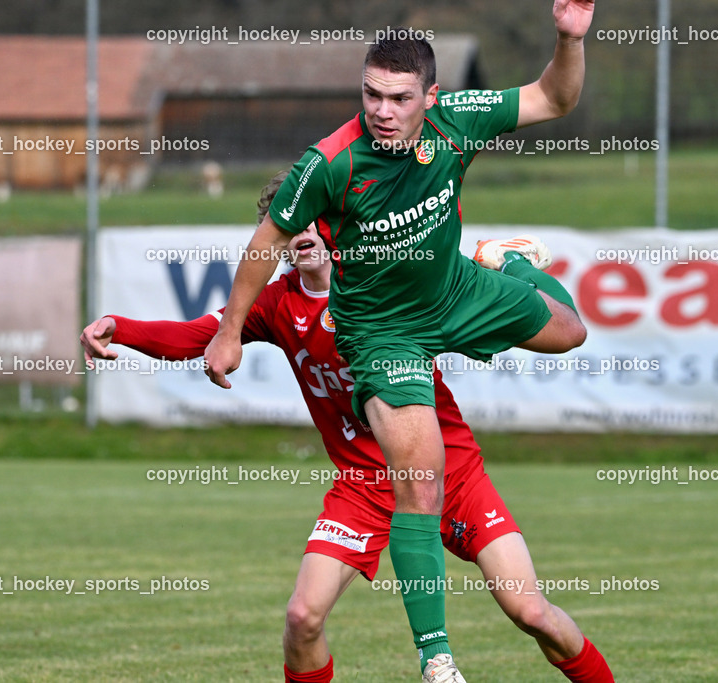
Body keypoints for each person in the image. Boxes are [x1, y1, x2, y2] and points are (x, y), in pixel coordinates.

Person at [81, 175, 612, 683]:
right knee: (301, 618)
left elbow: (522, 322)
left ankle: (508, 261)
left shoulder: (390, 284)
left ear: (335, 224)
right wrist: (120, 328)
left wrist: (504, 282)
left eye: (315, 219)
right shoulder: (276, 305)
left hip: (448, 469)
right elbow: (201, 334)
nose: (305, 233)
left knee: (531, 611)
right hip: (364, 484)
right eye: (290, 227)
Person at [203, 4, 596, 679]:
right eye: (372, 94)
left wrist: (567, 39)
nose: (383, 110)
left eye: (399, 97)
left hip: (456, 290)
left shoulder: (458, 121)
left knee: (571, 332)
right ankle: (437, 657)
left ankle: (510, 259)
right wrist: (231, 330)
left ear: (430, 98)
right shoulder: (329, 163)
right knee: (421, 473)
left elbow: (555, 97)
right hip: (384, 331)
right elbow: (265, 241)